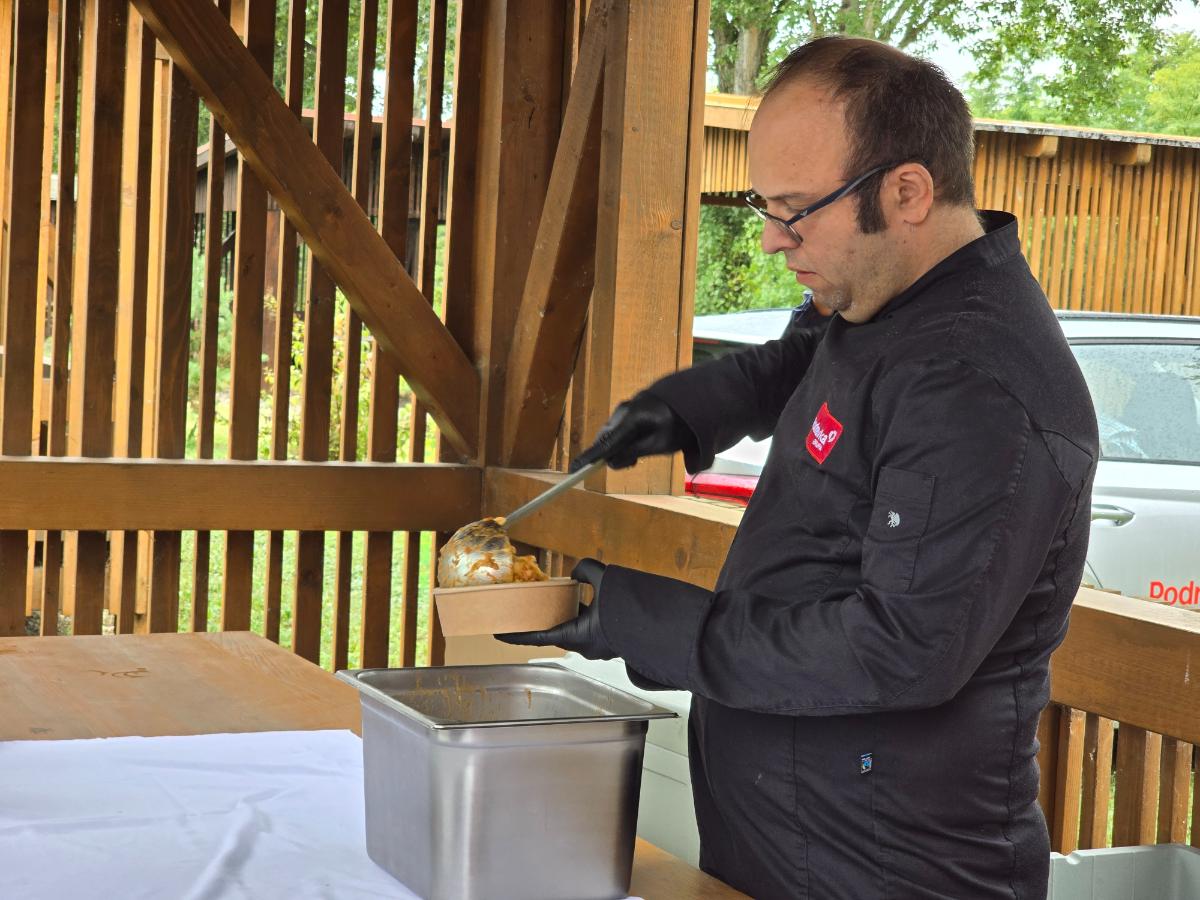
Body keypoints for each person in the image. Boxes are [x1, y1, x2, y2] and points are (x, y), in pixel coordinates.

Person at [499, 36, 1098, 900]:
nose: (772, 241)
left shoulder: (976, 386)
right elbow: (801, 361)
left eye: (796, 211)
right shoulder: (878, 291)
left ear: (907, 192)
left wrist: (649, 625)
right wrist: (689, 409)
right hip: (792, 833)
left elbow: (897, 652)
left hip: (885, 864)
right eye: (765, 207)